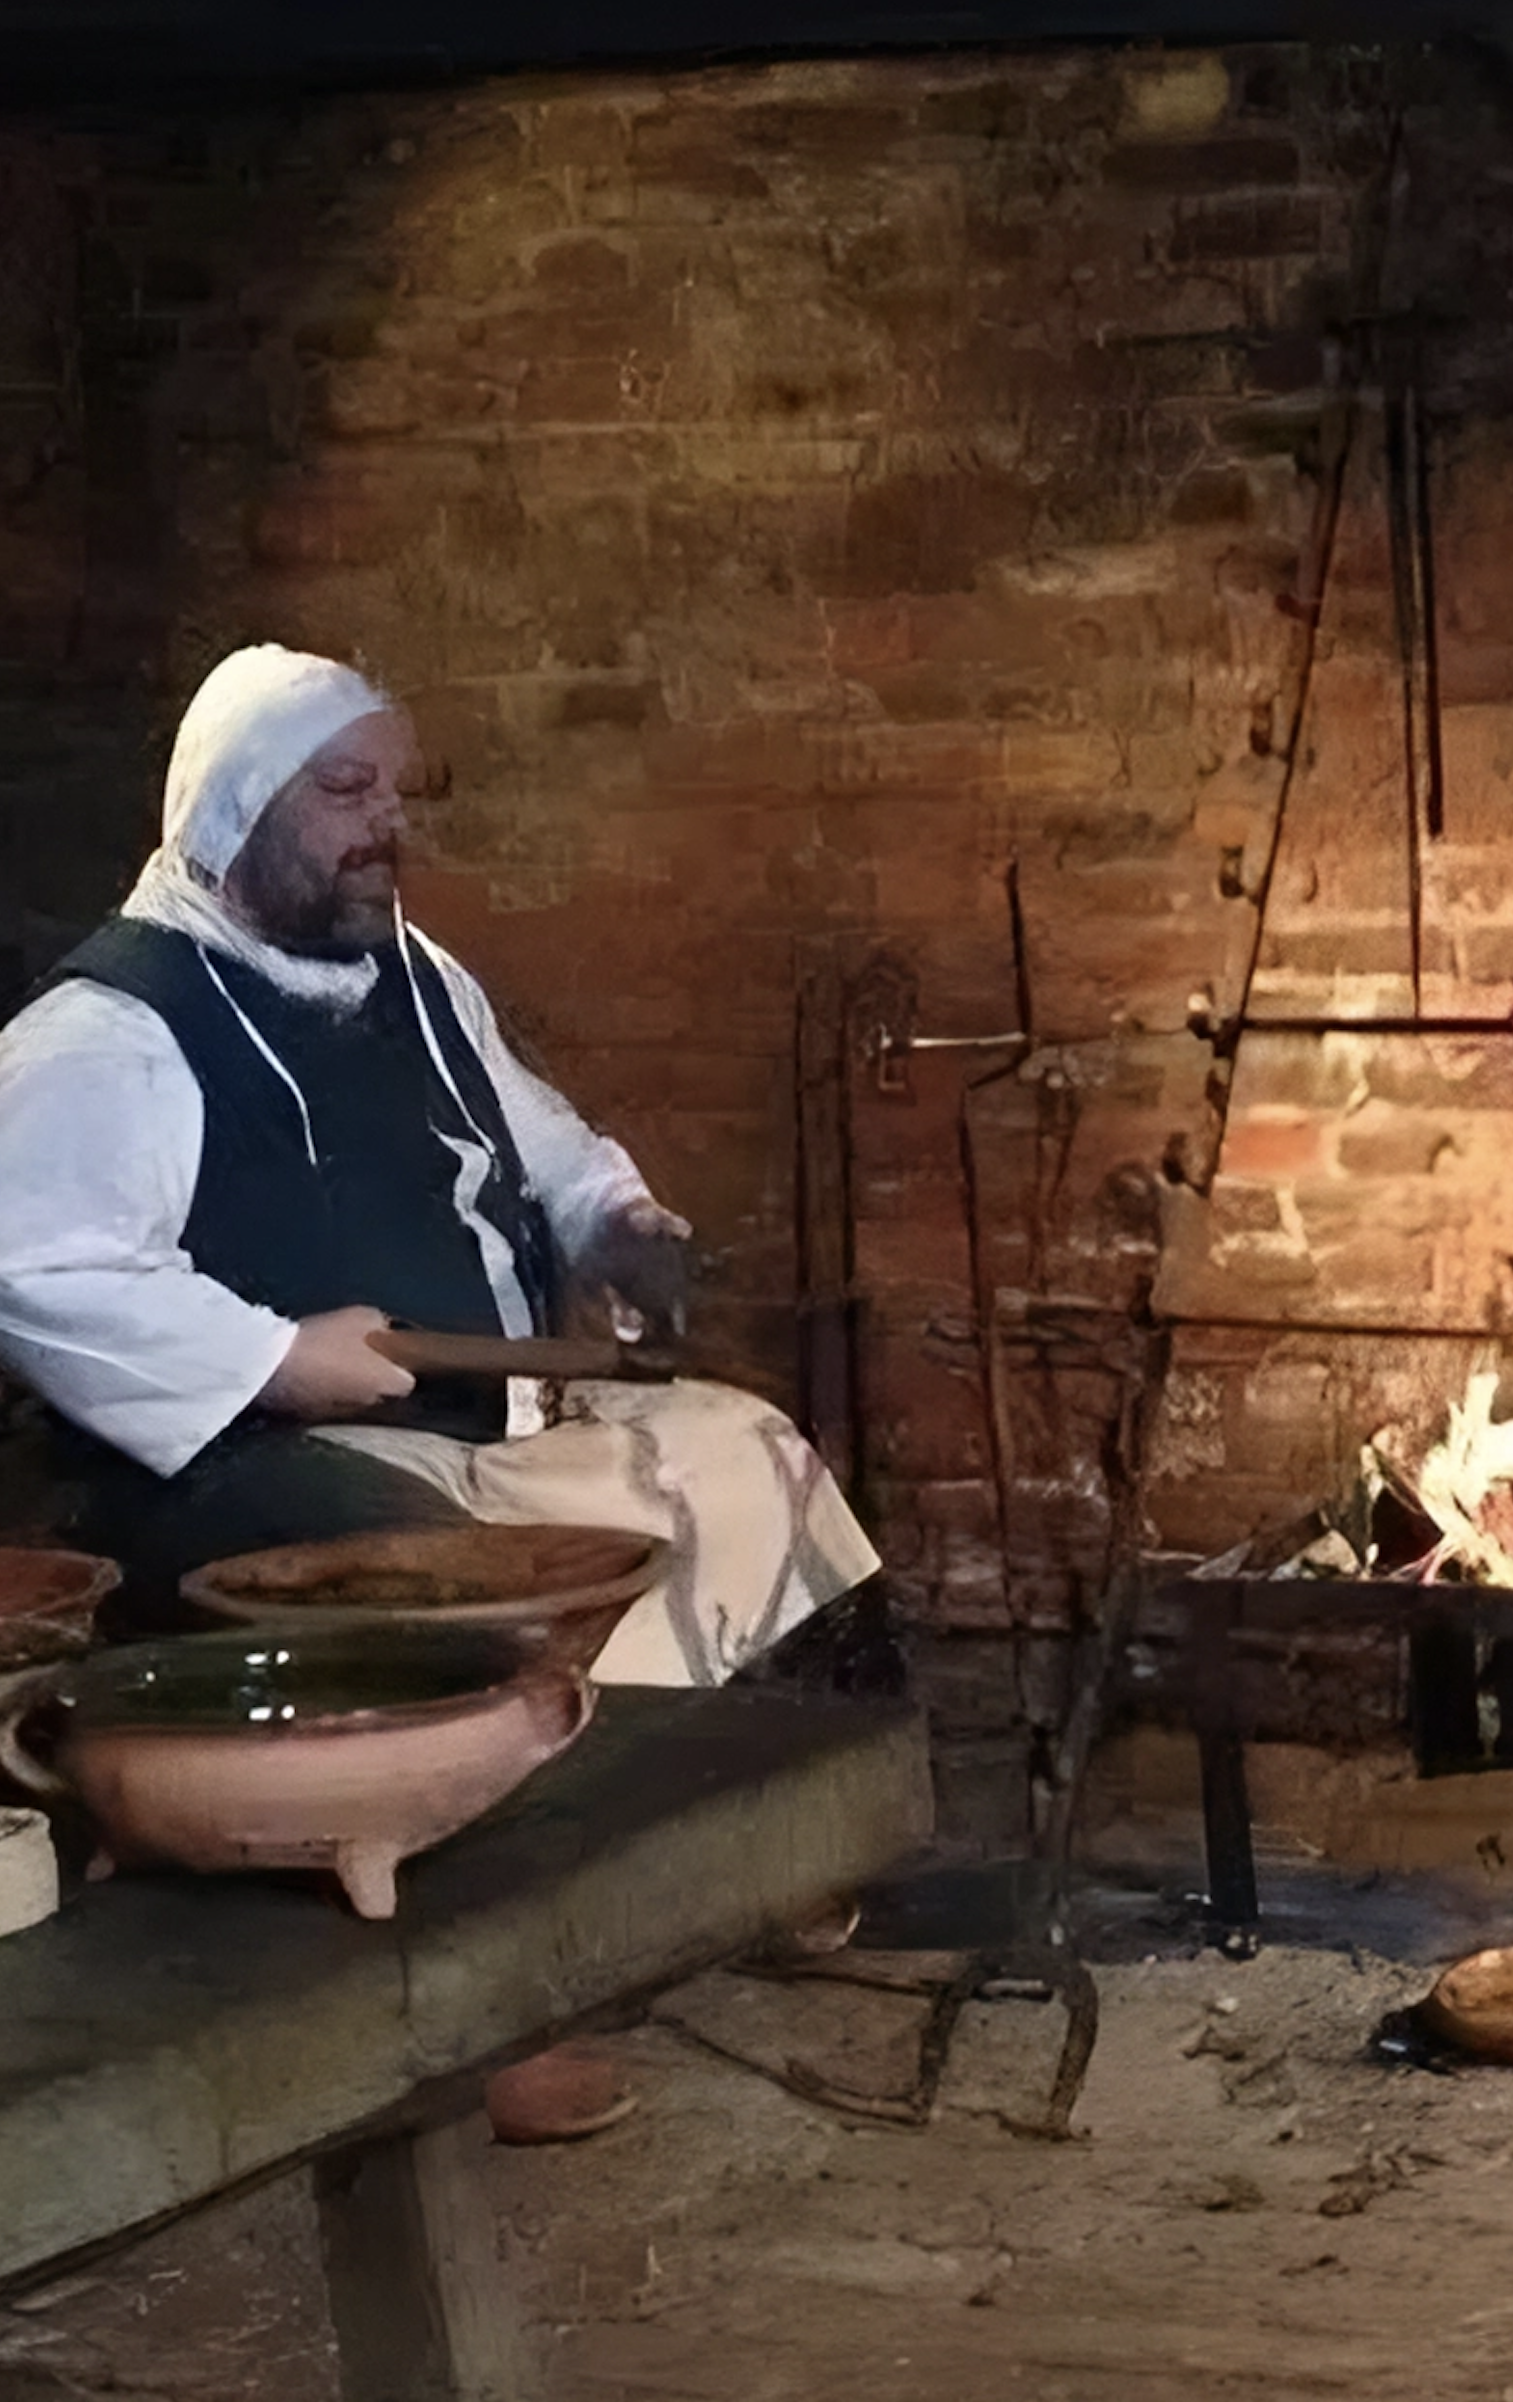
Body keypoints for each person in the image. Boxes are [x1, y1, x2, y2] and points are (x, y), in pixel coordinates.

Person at [0, 644, 895, 2135]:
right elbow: (31, 1258)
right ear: (234, 812)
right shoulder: (113, 1028)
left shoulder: (409, 971)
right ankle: (488, 2006)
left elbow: (534, 1144)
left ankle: (725, 1858)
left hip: (482, 1419)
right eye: (343, 791)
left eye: (393, 791)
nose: (383, 824)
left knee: (746, 1452)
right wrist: (280, 1358)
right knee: (465, 1607)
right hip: (242, 1456)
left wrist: (617, 1224)